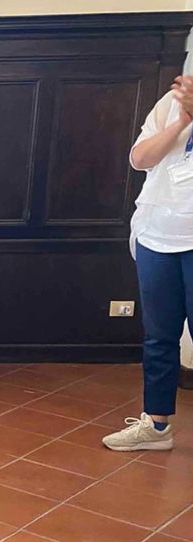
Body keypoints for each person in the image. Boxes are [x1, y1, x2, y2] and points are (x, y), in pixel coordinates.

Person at [103, 76, 193, 453]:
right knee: (159, 336)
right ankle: (156, 426)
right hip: (157, 236)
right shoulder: (171, 104)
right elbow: (139, 159)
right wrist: (182, 120)